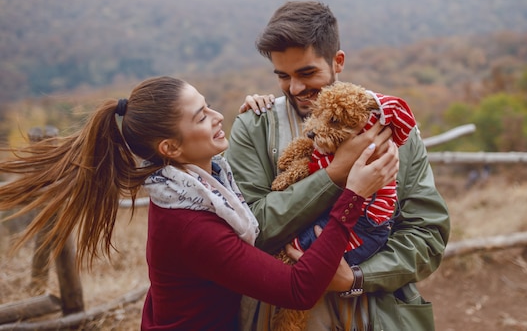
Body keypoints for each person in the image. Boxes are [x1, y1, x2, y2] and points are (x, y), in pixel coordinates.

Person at [0, 75, 400, 331]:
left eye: (208, 105)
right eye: (200, 116)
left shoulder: (201, 186)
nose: (215, 116)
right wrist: (355, 195)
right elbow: (298, 290)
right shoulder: (191, 223)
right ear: (170, 147)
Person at [227, 1, 451, 330]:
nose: (296, 88)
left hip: (376, 317)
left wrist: (357, 277)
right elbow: (248, 230)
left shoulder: (390, 127)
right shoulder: (254, 127)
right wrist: (335, 174)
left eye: (307, 73)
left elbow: (427, 233)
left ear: (338, 61)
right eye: (283, 76)